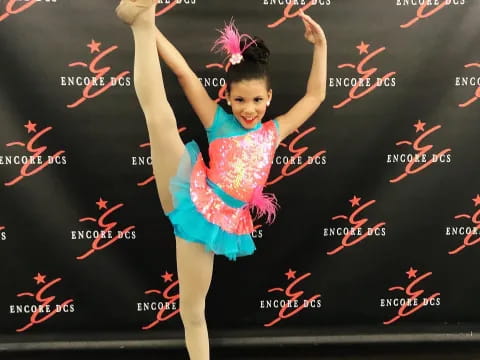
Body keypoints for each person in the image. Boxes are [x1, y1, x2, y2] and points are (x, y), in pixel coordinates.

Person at [115, 1, 326, 359]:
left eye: (257, 99)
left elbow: (315, 95)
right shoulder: (218, 121)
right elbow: (183, 73)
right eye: (240, 99)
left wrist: (320, 47)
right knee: (160, 119)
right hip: (193, 190)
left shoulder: (274, 131)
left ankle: (142, 21)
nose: (249, 108)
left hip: (217, 221)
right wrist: (151, 30)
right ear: (226, 97)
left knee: (193, 312)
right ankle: (141, 21)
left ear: (269, 98)